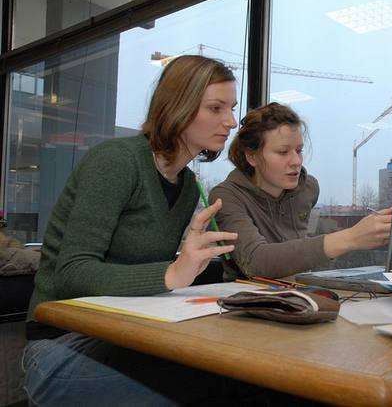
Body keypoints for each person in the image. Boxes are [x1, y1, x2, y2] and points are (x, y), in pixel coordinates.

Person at [20, 55, 272, 406]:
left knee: (250, 375)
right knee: (225, 388)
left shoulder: (186, 186)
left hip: (127, 336)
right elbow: (71, 272)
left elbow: (153, 276)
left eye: (230, 108)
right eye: (216, 108)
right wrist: (173, 272)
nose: (230, 121)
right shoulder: (117, 161)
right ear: (178, 107)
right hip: (62, 346)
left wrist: (210, 267)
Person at [209, 102, 392, 280]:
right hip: (247, 300)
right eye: (283, 152)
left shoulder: (308, 189)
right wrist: (351, 237)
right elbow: (256, 262)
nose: (296, 161)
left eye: (299, 150)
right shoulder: (225, 198)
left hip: (299, 293)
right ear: (251, 156)